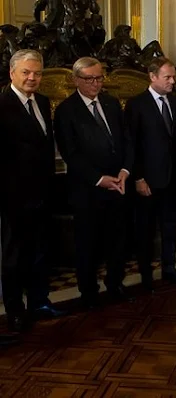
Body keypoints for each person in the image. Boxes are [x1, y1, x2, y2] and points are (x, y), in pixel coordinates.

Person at [54, 56, 134, 309]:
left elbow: (126, 141)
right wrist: (99, 179)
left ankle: (115, 284)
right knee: (87, 244)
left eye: (99, 78)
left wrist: (124, 171)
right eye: (89, 79)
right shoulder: (66, 110)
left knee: (117, 240)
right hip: (87, 190)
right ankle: (88, 291)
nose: (95, 84)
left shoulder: (111, 103)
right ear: (77, 80)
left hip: (118, 185)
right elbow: (71, 153)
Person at [0, 49, 66, 334]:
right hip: (12, 197)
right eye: (26, 72)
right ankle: (14, 310)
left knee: (39, 252)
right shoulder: (1, 103)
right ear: (12, 73)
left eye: (37, 73)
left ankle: (39, 301)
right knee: (13, 256)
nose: (32, 78)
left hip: (42, 193)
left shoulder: (42, 100)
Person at [124, 57, 176, 292]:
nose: (173, 81)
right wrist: (138, 178)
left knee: (170, 226)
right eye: (168, 77)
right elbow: (132, 145)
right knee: (145, 230)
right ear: (152, 77)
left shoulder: (175, 103)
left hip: (173, 178)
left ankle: (169, 269)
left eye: (173, 77)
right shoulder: (136, 104)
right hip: (148, 181)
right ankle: (145, 276)